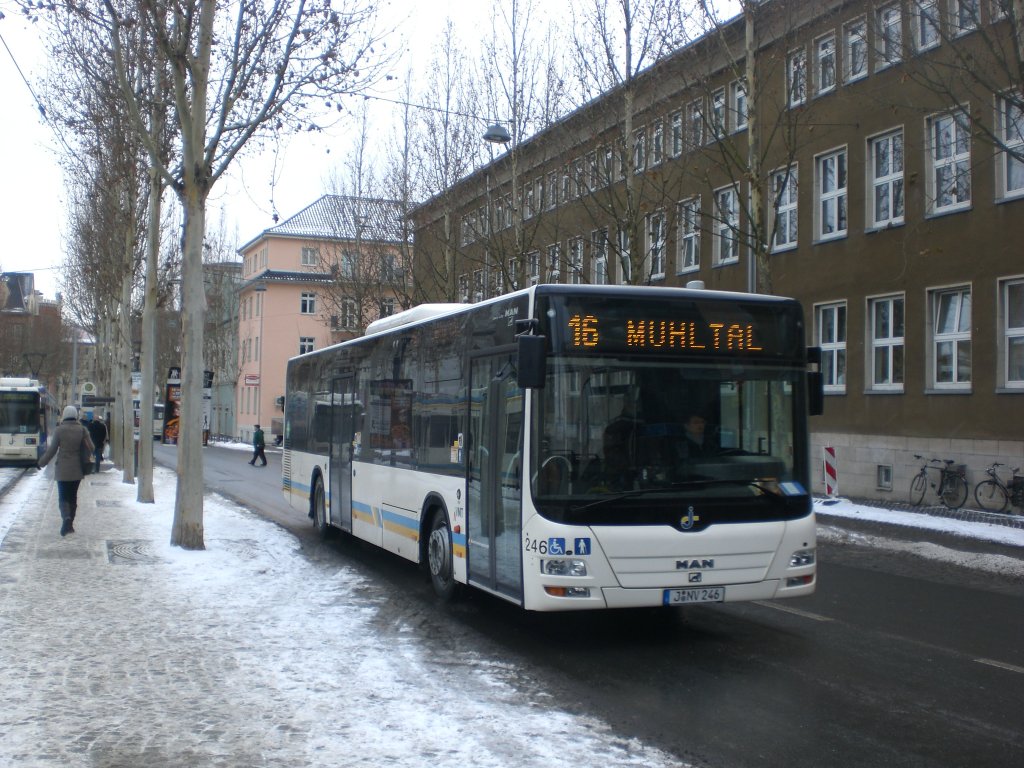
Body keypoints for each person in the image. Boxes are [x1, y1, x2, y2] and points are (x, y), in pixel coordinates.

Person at [36, 405, 95, 537]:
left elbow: (52, 451)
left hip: (62, 469)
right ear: (76, 415)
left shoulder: (59, 430)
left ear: (64, 415)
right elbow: (91, 447)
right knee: (73, 497)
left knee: (63, 496)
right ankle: (70, 524)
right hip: (77, 469)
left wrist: (41, 463)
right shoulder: (82, 430)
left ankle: (66, 519)